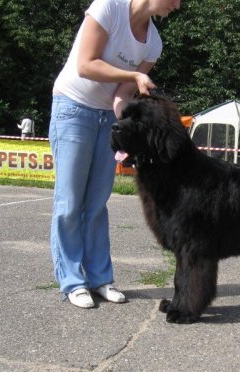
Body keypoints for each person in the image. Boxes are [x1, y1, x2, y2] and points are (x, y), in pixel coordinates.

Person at [49, 0, 181, 309]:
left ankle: (99, 279)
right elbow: (86, 63)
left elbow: (121, 95)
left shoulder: (154, 43)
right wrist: (134, 76)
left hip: (106, 117)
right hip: (72, 107)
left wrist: (131, 126)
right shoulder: (108, 7)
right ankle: (72, 281)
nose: (178, 5)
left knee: (97, 203)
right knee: (69, 203)